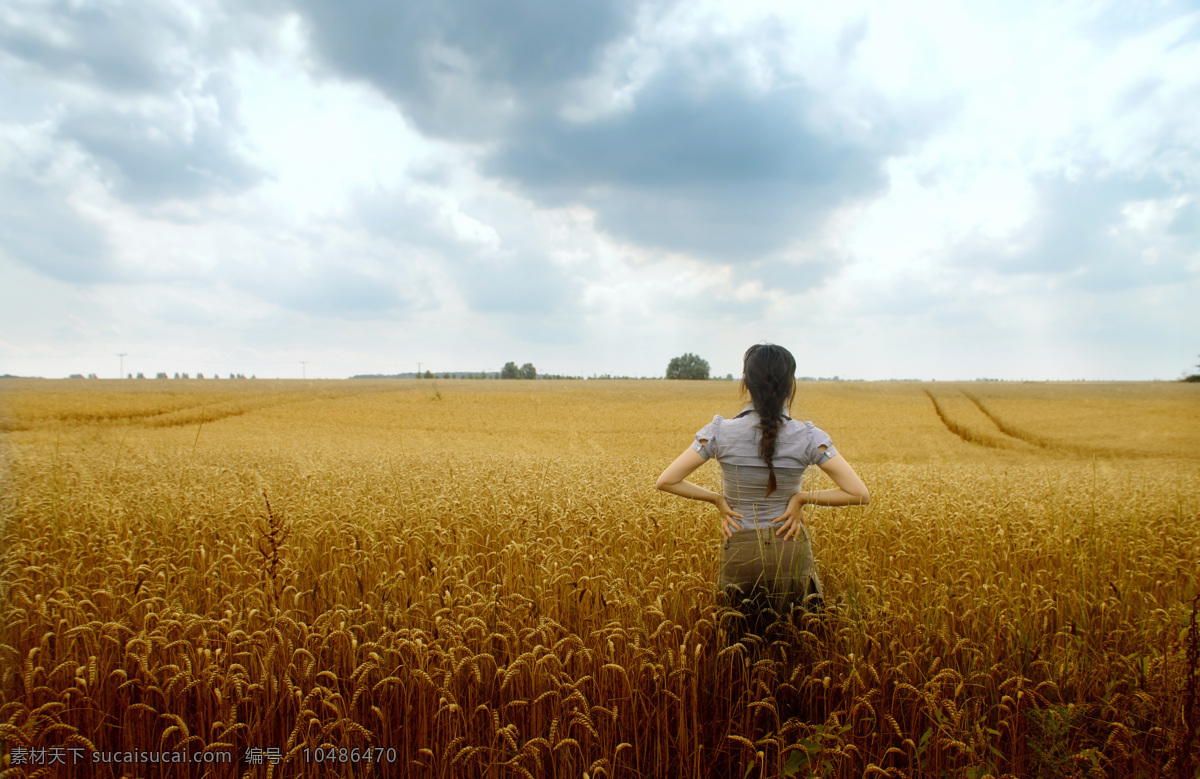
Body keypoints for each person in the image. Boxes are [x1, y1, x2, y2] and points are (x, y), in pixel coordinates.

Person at [655, 344, 870, 636]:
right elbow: (859, 494)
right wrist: (802, 498)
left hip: (739, 547)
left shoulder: (719, 432)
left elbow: (666, 481)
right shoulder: (809, 437)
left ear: (746, 384)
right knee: (798, 637)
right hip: (789, 544)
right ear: (790, 386)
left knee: (738, 642)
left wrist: (718, 500)